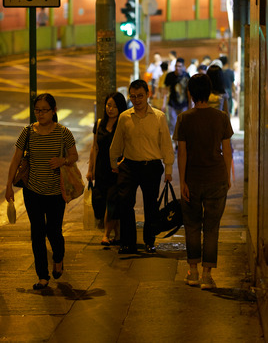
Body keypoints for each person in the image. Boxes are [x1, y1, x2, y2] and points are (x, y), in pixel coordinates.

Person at [5, 93, 78, 290]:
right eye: (37, 110)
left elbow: (74, 155)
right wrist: (8, 185)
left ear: (54, 111)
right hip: (32, 191)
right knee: (37, 232)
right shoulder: (28, 132)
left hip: (55, 192)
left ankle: (59, 258)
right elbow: (15, 159)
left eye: (44, 110)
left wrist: (62, 160)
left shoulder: (63, 132)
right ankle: (42, 276)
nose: (40, 114)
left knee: (54, 231)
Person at [173, 74, 233, 290]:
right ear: (209, 92)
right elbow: (227, 151)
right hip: (216, 178)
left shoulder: (184, 119)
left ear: (190, 93)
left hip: (193, 180)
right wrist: (227, 176)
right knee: (211, 227)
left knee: (191, 226)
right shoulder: (222, 117)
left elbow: (182, 154)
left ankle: (193, 271)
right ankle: (207, 275)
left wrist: (183, 183)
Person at [110, 79, 174, 254]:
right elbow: (116, 143)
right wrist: (113, 163)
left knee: (150, 206)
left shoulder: (159, 117)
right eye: (133, 96)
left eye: (140, 96)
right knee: (125, 203)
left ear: (148, 95)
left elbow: (166, 145)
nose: (136, 100)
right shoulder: (124, 117)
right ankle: (128, 242)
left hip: (151, 166)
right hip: (129, 166)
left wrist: (168, 170)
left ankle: (149, 241)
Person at [87, 92, 127, 246]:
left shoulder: (123, 123)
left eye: (115, 106)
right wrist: (90, 170)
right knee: (101, 201)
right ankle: (117, 234)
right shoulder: (99, 124)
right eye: (109, 105)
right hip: (101, 168)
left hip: (116, 168)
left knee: (112, 200)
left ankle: (106, 234)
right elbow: (94, 148)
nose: (111, 109)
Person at [164, 57, 190, 136]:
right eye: (176, 66)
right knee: (172, 125)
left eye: (179, 66)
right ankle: (173, 145)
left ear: (183, 67)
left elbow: (189, 90)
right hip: (172, 103)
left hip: (184, 104)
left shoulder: (187, 76)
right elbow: (165, 90)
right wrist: (163, 104)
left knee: (184, 125)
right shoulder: (170, 76)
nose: (177, 68)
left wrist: (190, 104)